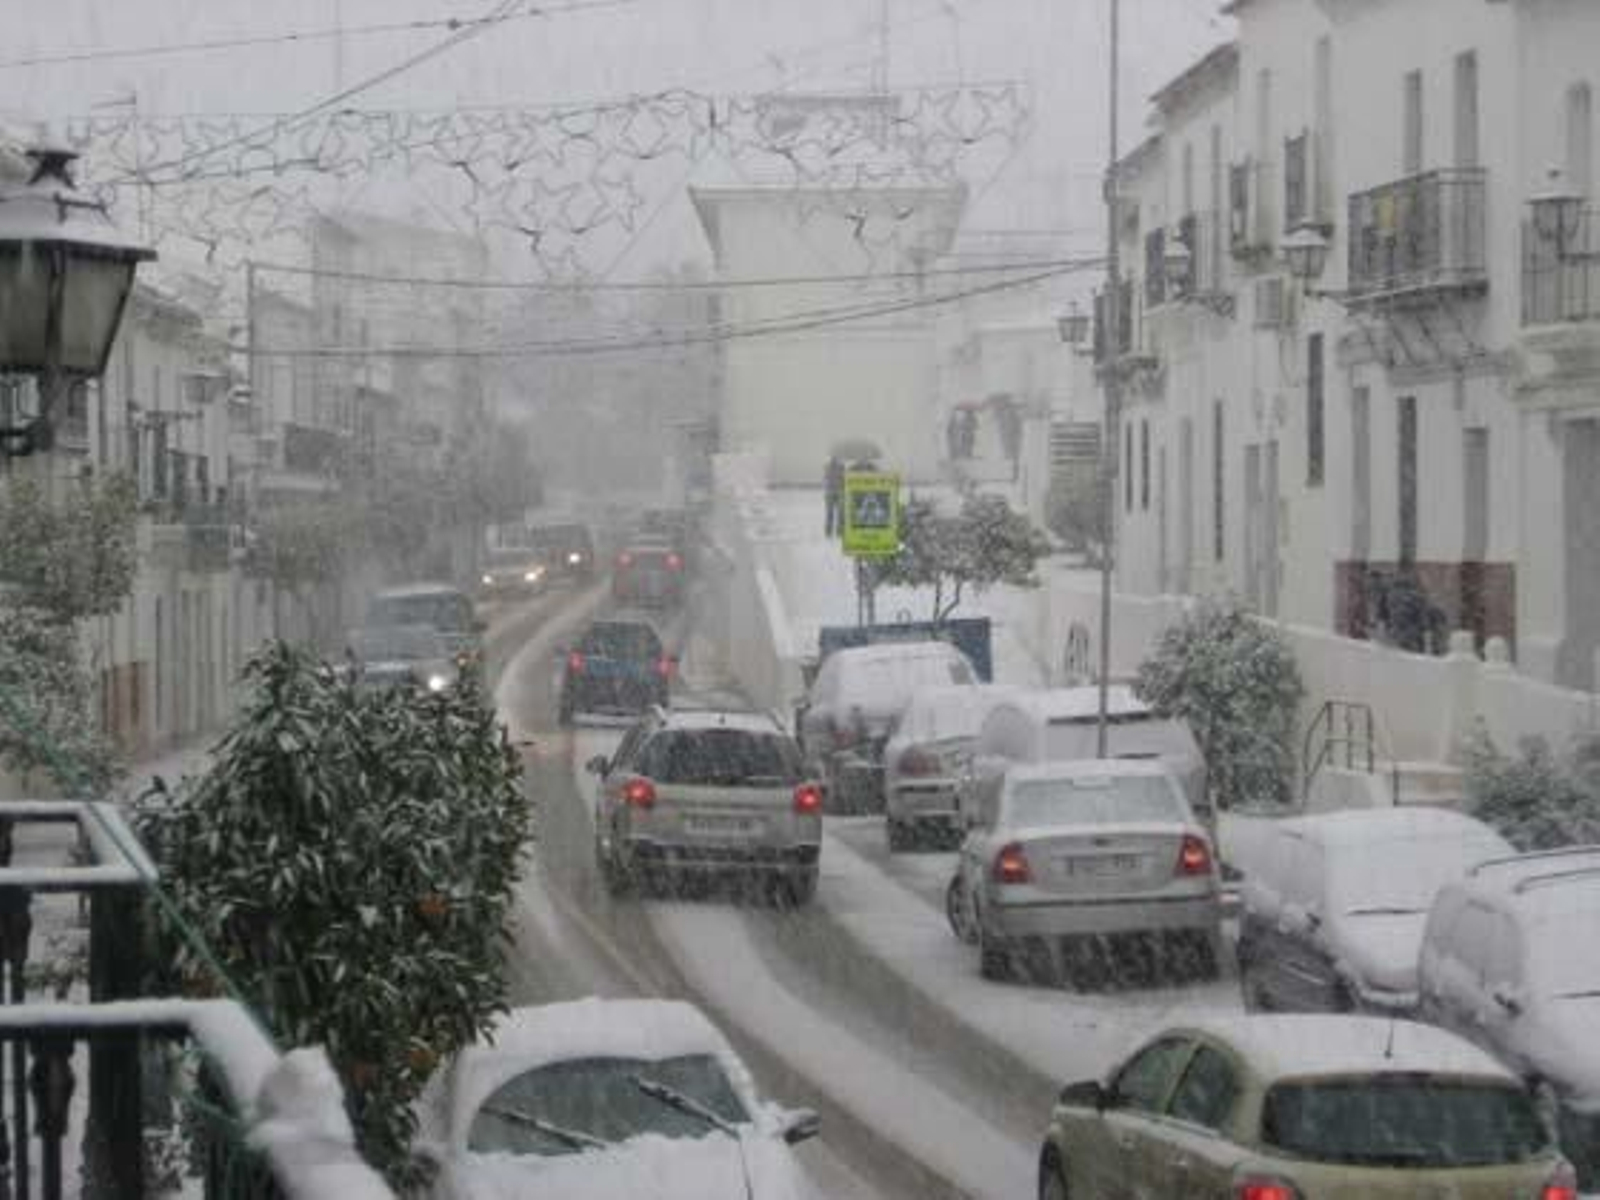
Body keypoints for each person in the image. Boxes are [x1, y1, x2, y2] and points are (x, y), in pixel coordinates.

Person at [824, 454, 845, 537]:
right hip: (830, 493)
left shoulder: (841, 467)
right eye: (833, 458)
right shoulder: (827, 466)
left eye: (836, 458)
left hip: (839, 492)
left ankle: (839, 531)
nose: (835, 460)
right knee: (830, 513)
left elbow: (844, 478)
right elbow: (827, 477)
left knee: (840, 513)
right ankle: (828, 532)